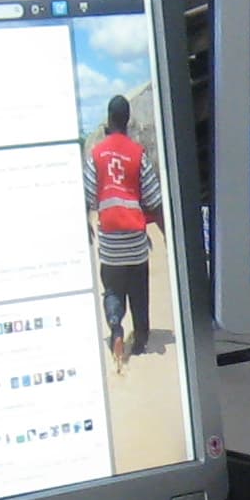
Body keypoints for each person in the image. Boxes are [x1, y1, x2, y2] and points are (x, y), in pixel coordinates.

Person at [86, 92, 161, 365]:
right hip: (135, 242)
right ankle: (139, 339)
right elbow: (154, 198)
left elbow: (88, 195)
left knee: (113, 291)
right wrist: (164, 233)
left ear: (109, 119)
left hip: (110, 243)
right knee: (138, 291)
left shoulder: (96, 154)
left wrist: (87, 225)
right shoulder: (137, 154)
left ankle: (117, 328)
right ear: (127, 120)